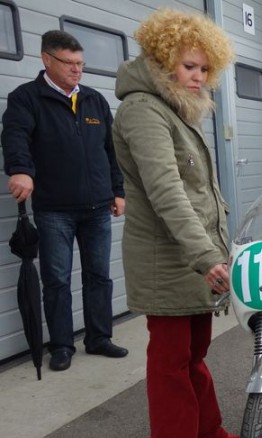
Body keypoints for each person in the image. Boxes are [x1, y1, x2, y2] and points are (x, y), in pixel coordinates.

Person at [111, 8, 240, 438]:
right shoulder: (143, 111)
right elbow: (167, 191)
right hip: (167, 260)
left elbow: (202, 191)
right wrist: (206, 255)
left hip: (191, 259)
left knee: (194, 354)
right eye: (189, 66)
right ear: (164, 61)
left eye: (205, 69)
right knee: (170, 362)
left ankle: (206, 430)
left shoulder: (175, 109)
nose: (198, 77)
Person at [2, 30, 128, 373]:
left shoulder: (93, 100)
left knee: (99, 276)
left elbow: (111, 151)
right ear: (47, 59)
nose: (77, 70)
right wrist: (20, 170)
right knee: (57, 280)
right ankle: (61, 345)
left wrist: (118, 191)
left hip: (97, 207)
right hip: (54, 208)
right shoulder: (26, 98)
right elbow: (15, 137)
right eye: (70, 63)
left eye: (80, 64)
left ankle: (99, 338)